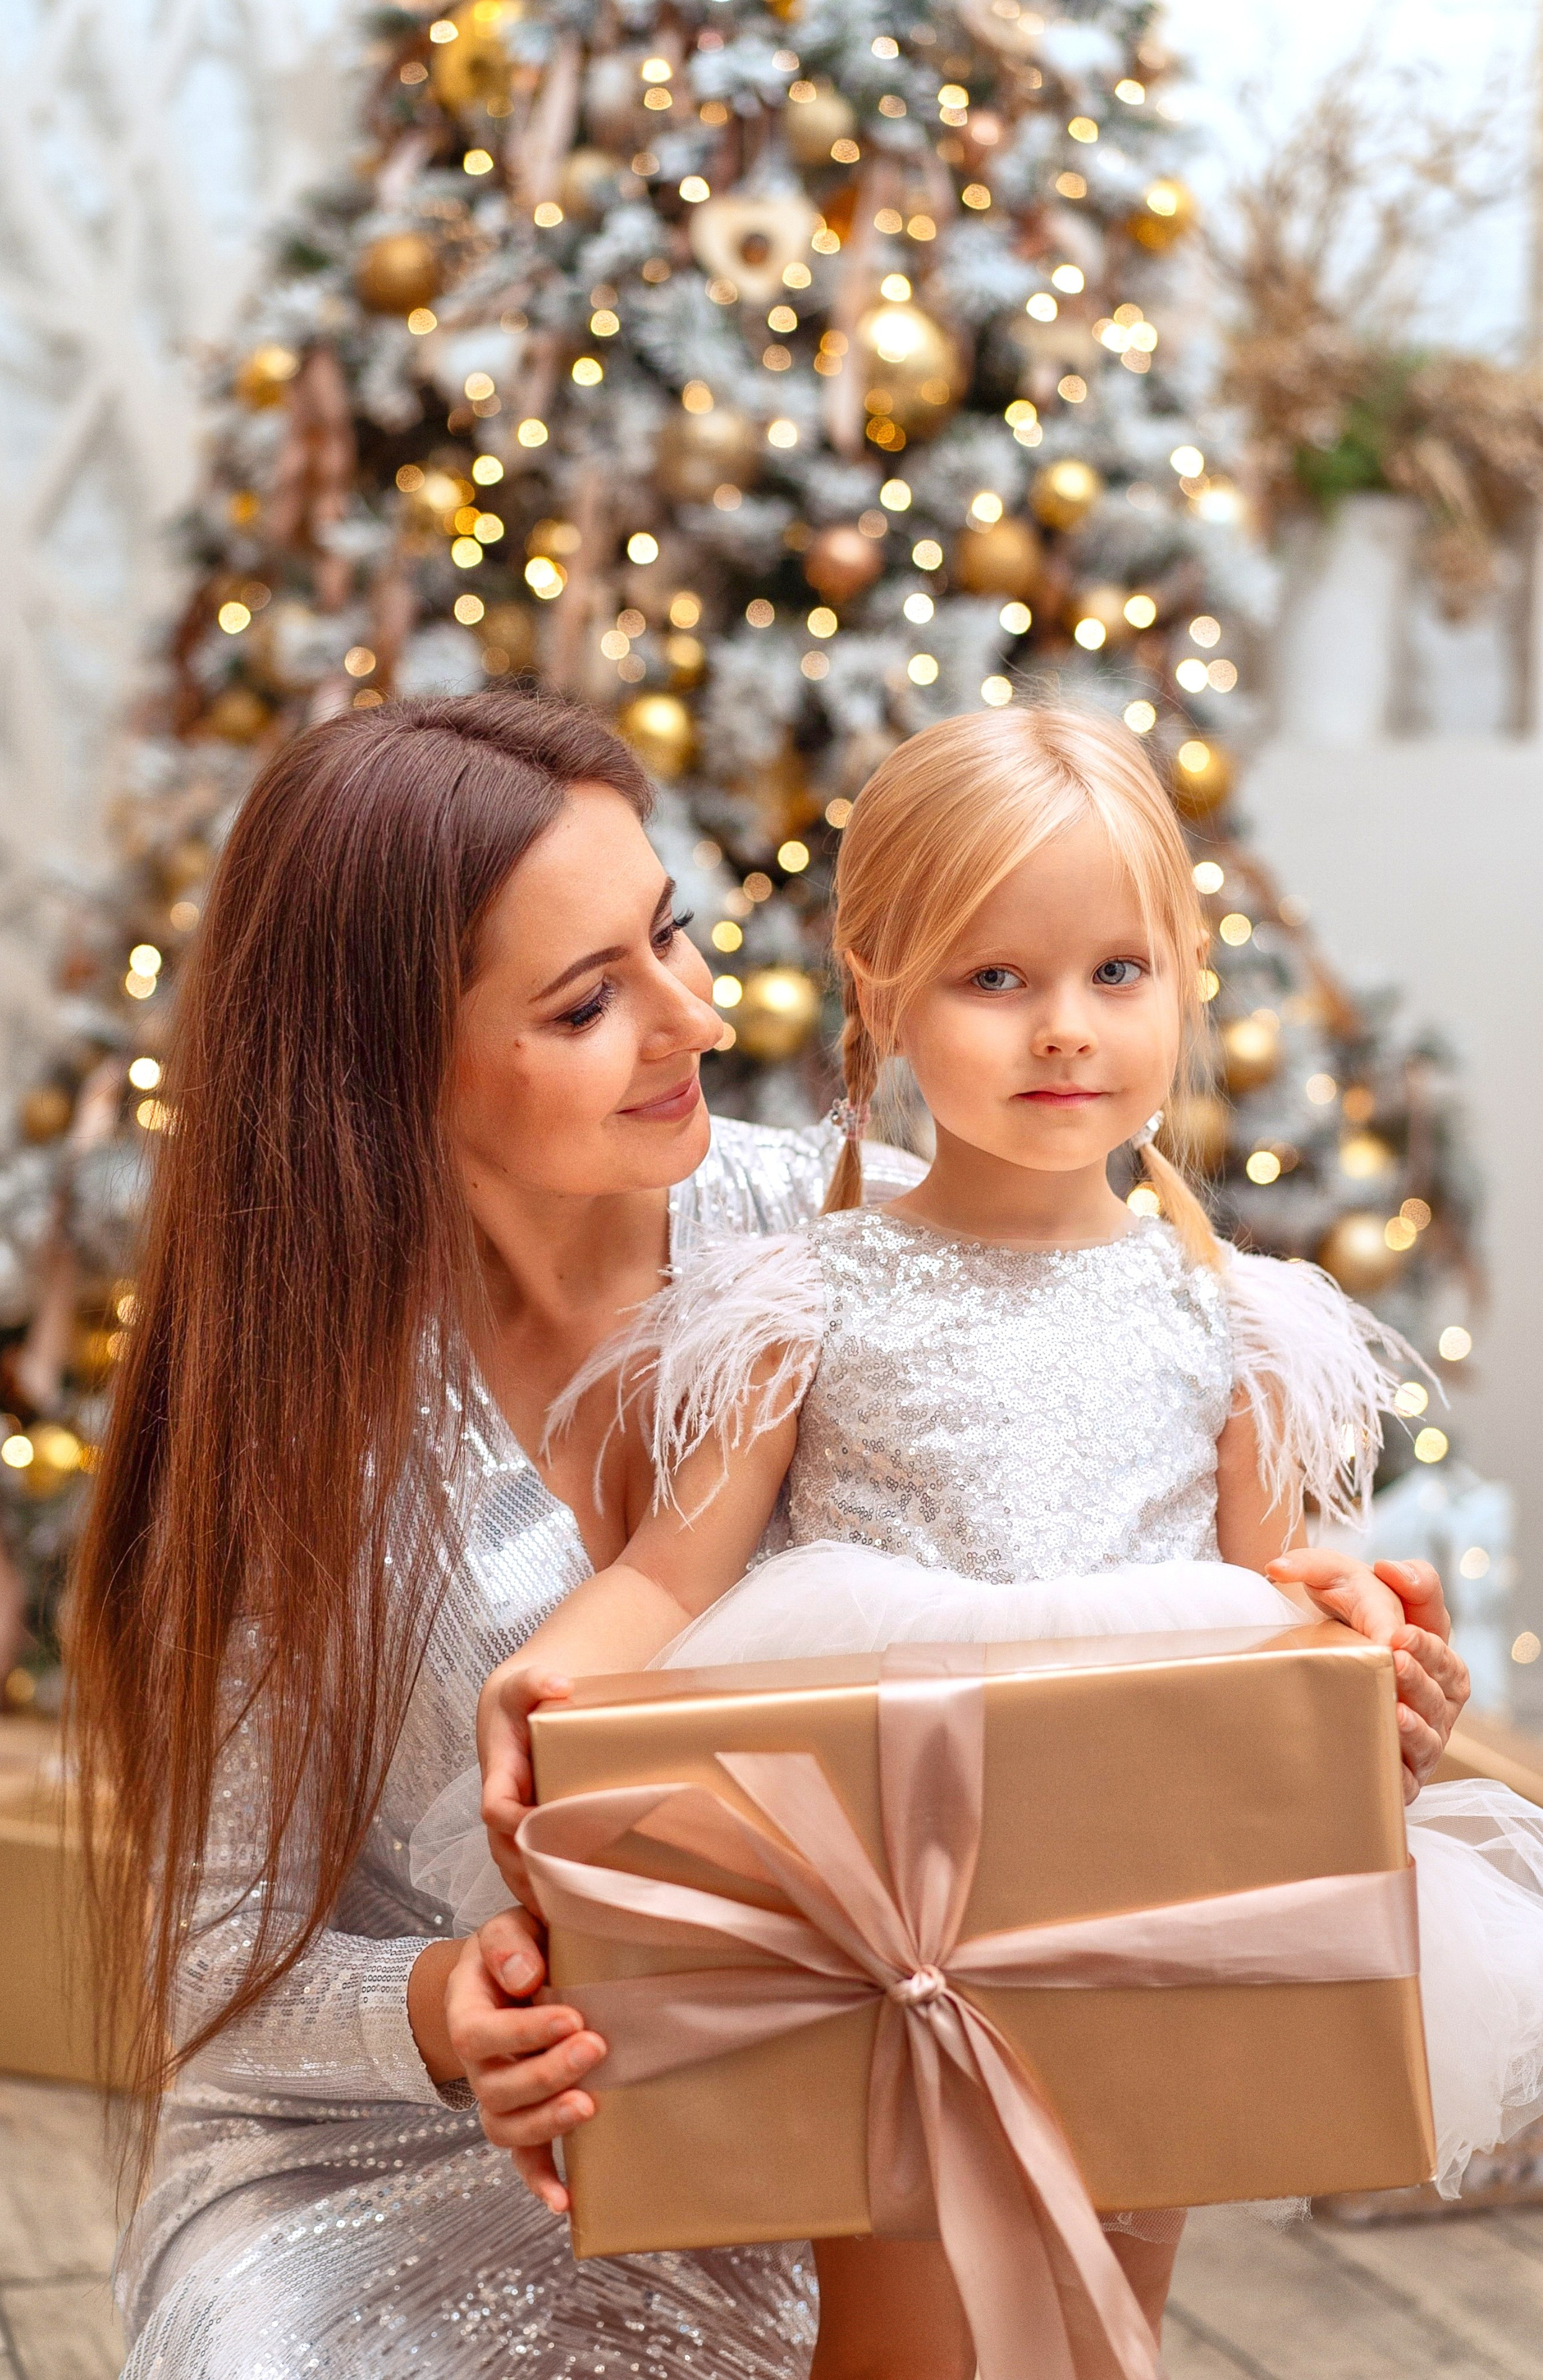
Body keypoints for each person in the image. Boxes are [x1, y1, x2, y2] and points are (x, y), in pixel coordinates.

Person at [69, 689, 1464, 2380]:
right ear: (389, 1060)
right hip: (414, 2141)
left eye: (674, 935)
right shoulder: (297, 1435)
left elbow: (1189, 1531)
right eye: (591, 1002)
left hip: (794, 2073)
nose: (699, 1020)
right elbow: (211, 1967)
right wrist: (446, 2009)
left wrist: (1346, 1669)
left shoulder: (842, 1221)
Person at [465, 708, 1531, 2380]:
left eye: (1119, 974)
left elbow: (1287, 1603)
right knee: (905, 2310)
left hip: (1161, 1871)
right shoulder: (807, 1297)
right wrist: (553, 1666)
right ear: (882, 993)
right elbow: (674, 1572)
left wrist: (1372, 1659)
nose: (1065, 1033)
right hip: (905, 1890)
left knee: (1119, 2302)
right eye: (995, 980)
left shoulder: (1239, 1323)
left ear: (1188, 978)